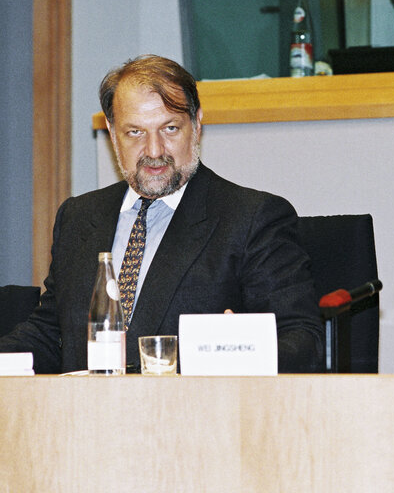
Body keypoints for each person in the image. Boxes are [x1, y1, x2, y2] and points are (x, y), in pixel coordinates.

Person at [0, 55, 324, 374]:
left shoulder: (252, 218)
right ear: (112, 134)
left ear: (196, 125)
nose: (154, 151)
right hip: (84, 418)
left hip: (192, 417)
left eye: (169, 129)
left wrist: (234, 352)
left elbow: (302, 341)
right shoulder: (79, 216)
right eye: (135, 133)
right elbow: (49, 332)